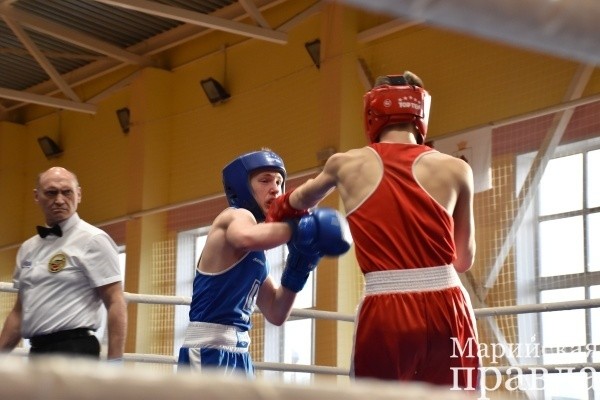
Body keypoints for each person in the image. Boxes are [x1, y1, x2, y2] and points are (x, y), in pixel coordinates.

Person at [267, 72, 480, 389]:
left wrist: (274, 211)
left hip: (385, 308)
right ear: (420, 113)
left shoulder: (345, 164)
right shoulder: (458, 168)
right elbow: (463, 260)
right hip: (448, 307)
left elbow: (291, 204)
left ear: (372, 112)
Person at [177, 149, 351, 377]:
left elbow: (276, 312)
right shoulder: (236, 216)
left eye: (279, 181)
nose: (275, 188)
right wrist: (298, 229)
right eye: (265, 180)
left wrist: (298, 268)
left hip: (239, 352)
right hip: (208, 350)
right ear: (242, 187)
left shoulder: (258, 255)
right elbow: (244, 237)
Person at [0, 167, 127, 361]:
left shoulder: (93, 239)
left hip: (76, 349)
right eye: (51, 193)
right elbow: (19, 313)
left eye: (67, 192)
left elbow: (115, 300)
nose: (59, 200)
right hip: (37, 351)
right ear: (37, 196)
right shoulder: (28, 248)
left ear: (79, 194)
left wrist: (115, 362)